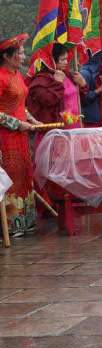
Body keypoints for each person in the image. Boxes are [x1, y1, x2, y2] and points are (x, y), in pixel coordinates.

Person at [0, 34, 39, 238]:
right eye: (20, 52)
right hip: (6, 137)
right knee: (12, 175)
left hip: (21, 136)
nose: (23, 56)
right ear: (7, 56)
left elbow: (21, 105)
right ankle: (11, 223)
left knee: (25, 173)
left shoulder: (17, 75)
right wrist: (17, 124)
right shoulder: (1, 77)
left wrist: (32, 120)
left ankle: (25, 221)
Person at [26, 43, 78, 125]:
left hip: (72, 122)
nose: (66, 62)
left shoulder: (66, 75)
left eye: (67, 59)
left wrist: (83, 85)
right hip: (51, 127)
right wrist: (57, 83)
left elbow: (77, 96)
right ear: (51, 60)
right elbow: (48, 100)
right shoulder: (40, 80)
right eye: (62, 59)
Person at [79, 49, 102, 127]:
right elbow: (84, 98)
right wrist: (101, 88)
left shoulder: (99, 72)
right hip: (90, 120)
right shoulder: (85, 73)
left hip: (100, 117)